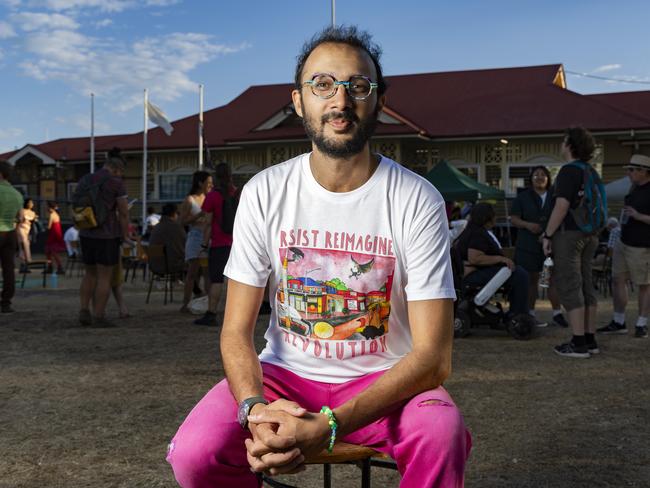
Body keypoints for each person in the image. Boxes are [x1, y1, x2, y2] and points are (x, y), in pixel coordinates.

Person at [167, 26, 470, 487]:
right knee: (194, 454)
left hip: (387, 382)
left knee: (441, 433)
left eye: (358, 86)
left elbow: (433, 356)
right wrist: (254, 410)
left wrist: (329, 424)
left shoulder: (416, 198)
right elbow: (235, 332)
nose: (340, 101)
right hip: (283, 379)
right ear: (298, 100)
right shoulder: (265, 192)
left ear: (380, 102)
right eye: (323, 84)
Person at [542, 127, 601, 358]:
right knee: (587, 285)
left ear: (569, 144)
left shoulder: (568, 171)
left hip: (569, 234)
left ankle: (577, 343)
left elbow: (562, 206)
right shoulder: (591, 171)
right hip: (590, 234)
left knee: (570, 285)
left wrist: (548, 234)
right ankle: (589, 338)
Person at [597, 154, 650, 338]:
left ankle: (642, 324)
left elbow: (640, 216)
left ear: (644, 172)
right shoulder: (633, 188)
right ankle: (618, 321)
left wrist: (639, 216)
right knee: (617, 280)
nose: (628, 173)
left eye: (632, 170)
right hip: (623, 241)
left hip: (642, 246)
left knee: (644, 284)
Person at [510, 166, 568, 327]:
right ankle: (530, 314)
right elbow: (513, 218)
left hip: (550, 245)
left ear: (548, 178)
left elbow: (562, 217)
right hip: (528, 246)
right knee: (531, 280)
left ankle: (557, 314)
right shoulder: (523, 197)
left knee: (550, 279)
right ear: (531, 179)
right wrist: (528, 225)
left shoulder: (555, 197)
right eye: (536, 175)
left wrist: (548, 233)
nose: (540, 177)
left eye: (543, 175)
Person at [78, 152, 129, 328]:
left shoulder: (86, 179)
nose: (121, 175)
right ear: (116, 169)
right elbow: (123, 212)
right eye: (121, 171)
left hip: (86, 231)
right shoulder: (116, 183)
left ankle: (84, 310)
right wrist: (125, 234)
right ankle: (98, 316)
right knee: (104, 277)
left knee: (89, 274)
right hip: (107, 234)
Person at [456, 202, 529, 318]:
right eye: (493, 215)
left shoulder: (474, 230)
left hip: (473, 274)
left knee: (518, 272)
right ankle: (518, 314)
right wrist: (501, 259)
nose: (496, 218)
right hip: (472, 275)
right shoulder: (477, 233)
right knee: (520, 275)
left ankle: (517, 312)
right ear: (486, 218)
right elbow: (475, 258)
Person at [193, 163, 237, 326]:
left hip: (219, 244)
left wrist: (204, 244)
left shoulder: (213, 196)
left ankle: (211, 313)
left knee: (216, 280)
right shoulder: (236, 193)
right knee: (237, 281)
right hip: (237, 244)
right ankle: (236, 314)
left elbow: (208, 223)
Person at [179, 171, 213, 313]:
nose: (211, 186)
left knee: (207, 272)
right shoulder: (190, 200)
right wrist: (199, 215)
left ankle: (209, 304)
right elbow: (182, 221)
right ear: (200, 183)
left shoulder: (210, 198)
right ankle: (186, 303)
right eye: (208, 183)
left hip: (207, 235)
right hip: (194, 235)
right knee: (192, 272)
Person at [0, 160, 24, 314]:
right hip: (10, 233)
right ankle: (6, 302)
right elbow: (20, 218)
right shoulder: (17, 194)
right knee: (8, 268)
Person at [148, 203, 186, 276]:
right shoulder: (176, 227)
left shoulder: (157, 227)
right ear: (174, 214)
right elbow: (183, 247)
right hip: (170, 266)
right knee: (194, 260)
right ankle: (192, 285)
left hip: (154, 265)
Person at [17, 197, 38, 272]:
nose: (32, 204)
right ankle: (28, 260)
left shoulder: (33, 212)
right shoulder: (22, 210)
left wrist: (34, 220)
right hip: (21, 229)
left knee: (25, 246)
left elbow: (34, 222)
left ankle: (24, 265)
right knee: (24, 244)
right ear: (26, 203)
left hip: (28, 230)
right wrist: (22, 219)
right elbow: (19, 219)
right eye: (30, 202)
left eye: (32, 203)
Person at [45, 201, 66, 274]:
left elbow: (49, 226)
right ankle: (53, 266)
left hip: (53, 236)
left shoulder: (52, 215)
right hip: (56, 235)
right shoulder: (57, 215)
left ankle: (56, 267)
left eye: (47, 207)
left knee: (51, 252)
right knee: (50, 252)